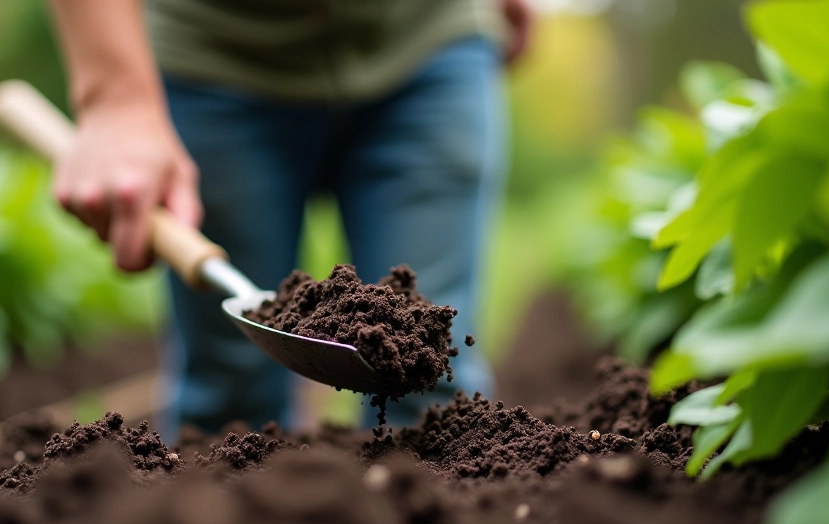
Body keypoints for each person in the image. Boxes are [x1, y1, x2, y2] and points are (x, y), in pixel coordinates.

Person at [46, 0, 532, 439]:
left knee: (427, 380)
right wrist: (113, 97)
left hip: (427, 42)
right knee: (231, 402)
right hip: (215, 59)